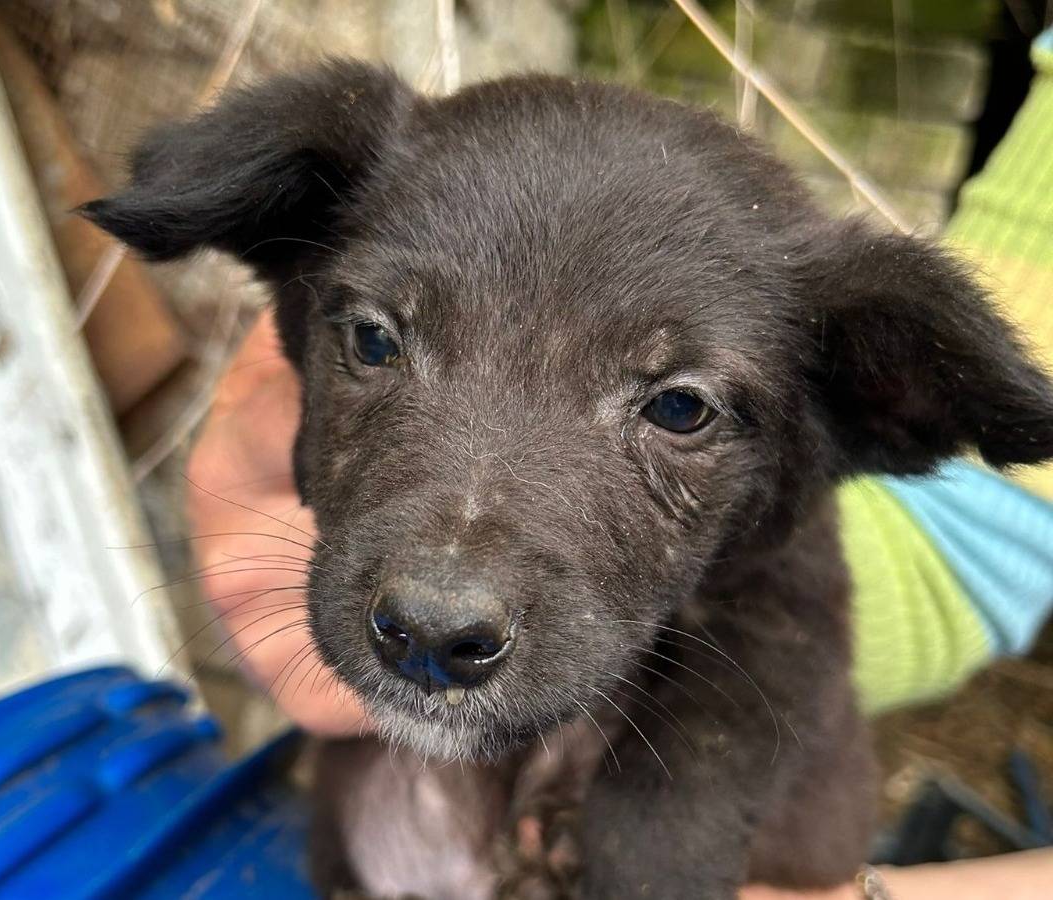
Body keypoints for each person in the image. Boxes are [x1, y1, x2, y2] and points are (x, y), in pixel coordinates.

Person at [183, 27, 1053, 899]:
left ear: (877, 402)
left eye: (678, 409)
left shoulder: (813, 442)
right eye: (376, 341)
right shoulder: (327, 209)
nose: (444, 595)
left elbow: (961, 543)